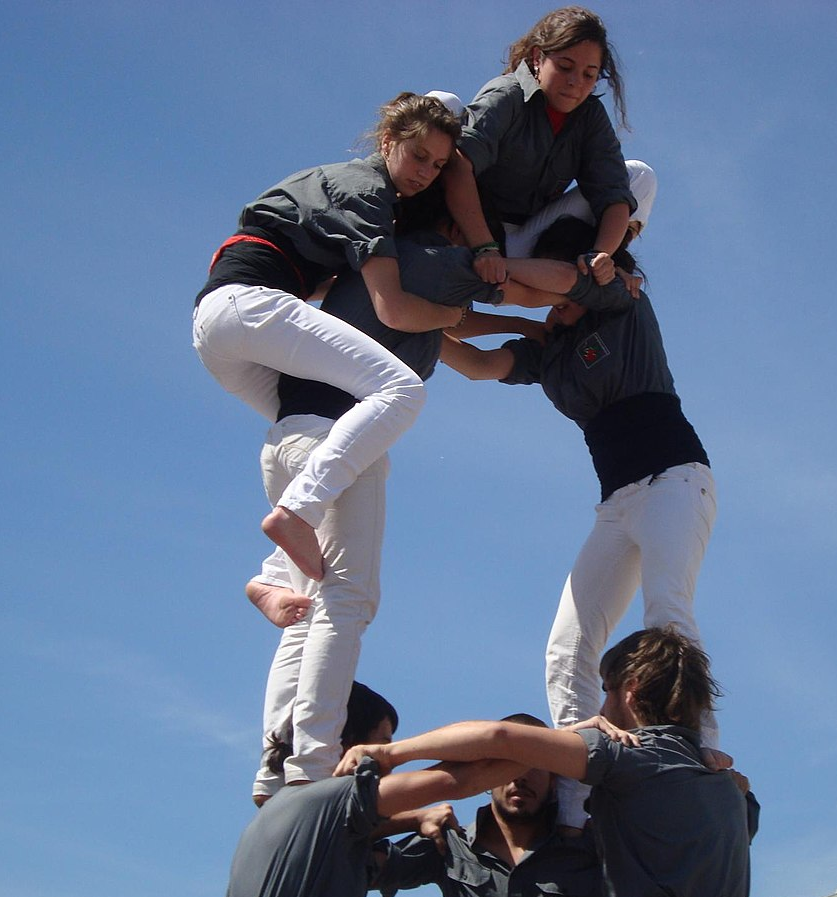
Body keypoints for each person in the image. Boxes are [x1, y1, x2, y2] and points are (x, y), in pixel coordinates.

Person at [243, 202, 559, 801]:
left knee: (306, 608)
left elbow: (469, 357)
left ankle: (274, 764)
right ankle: (310, 765)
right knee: (349, 598)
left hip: (288, 437)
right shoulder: (431, 257)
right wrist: (530, 317)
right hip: (335, 442)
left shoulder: (387, 271)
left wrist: (521, 337)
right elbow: (499, 300)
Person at [439, 216, 717, 829]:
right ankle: (577, 810)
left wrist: (528, 282)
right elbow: (477, 363)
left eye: (547, 293)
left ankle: (700, 757)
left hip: (674, 477)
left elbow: (580, 278)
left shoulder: (620, 300)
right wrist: (405, 325)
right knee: (568, 647)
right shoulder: (551, 351)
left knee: (667, 615)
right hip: (617, 502)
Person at [336, 627, 753, 897]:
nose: (603, 709)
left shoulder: (627, 755)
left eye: (607, 690)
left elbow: (496, 738)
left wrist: (392, 752)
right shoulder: (729, 788)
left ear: (631, 689)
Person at [193, 92, 464, 583]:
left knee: (313, 431)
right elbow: (394, 310)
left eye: (439, 165)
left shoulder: (340, 182)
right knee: (401, 391)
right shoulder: (367, 192)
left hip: (222, 330)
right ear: (387, 141)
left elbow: (323, 280)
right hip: (247, 305)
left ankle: (275, 577)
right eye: (419, 155)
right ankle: (297, 513)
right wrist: (452, 313)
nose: (426, 172)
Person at [222, 682, 531, 897]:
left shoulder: (283, 811)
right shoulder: (335, 798)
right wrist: (395, 753)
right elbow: (478, 769)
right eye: (379, 743)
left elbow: (354, 849)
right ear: (351, 742)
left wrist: (412, 819)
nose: (387, 771)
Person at [375, 713, 613, 897]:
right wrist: (408, 820)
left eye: (533, 764)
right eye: (508, 762)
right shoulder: (452, 845)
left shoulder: (592, 848)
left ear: (554, 778)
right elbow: (355, 862)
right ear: (488, 774)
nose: (520, 777)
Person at [441, 6, 636, 286]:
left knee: (639, 175)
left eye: (589, 75)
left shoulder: (591, 116)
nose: (575, 82)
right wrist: (484, 247)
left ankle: (606, 271)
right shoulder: (507, 95)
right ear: (537, 58)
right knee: (441, 105)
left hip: (530, 241)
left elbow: (614, 193)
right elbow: (458, 166)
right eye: (565, 67)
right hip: (475, 231)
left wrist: (601, 254)